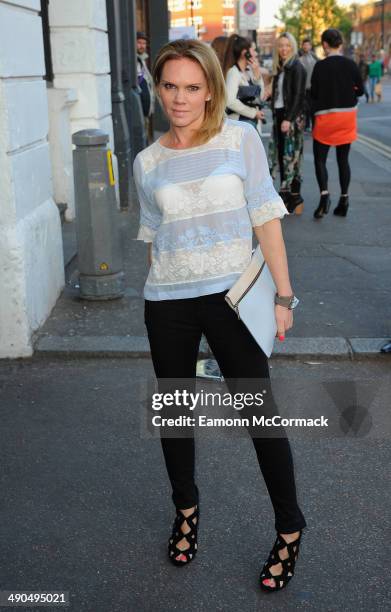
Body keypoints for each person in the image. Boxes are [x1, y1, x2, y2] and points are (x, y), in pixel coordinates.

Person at [133, 38, 307, 592]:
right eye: (170, 86)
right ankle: (185, 510)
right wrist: (159, 288)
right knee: (177, 415)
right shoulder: (147, 161)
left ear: (211, 90)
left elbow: (266, 217)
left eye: (192, 87)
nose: (180, 99)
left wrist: (283, 296)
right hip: (168, 303)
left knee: (260, 415)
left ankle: (289, 528)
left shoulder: (240, 139)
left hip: (233, 299)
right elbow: (154, 237)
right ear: (158, 88)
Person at [310, 29, 364, 219]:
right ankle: (344, 200)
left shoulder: (320, 66)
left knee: (320, 159)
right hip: (346, 117)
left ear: (325, 44)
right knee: (343, 160)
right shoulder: (350, 65)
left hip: (325, 117)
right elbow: (361, 91)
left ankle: (324, 197)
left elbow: (314, 93)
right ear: (340, 44)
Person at [269, 32, 306, 215]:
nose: (284, 49)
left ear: (292, 46)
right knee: (283, 157)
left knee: (291, 158)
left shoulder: (296, 67)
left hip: (290, 117)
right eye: (281, 45)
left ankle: (292, 196)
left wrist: (288, 119)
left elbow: (299, 96)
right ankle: (288, 195)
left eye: (287, 45)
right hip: (280, 115)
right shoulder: (281, 67)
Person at [223, 34, 266, 132]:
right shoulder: (233, 72)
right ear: (244, 53)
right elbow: (230, 101)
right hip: (239, 125)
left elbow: (261, 97)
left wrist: (257, 77)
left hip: (251, 125)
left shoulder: (250, 72)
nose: (256, 54)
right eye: (253, 50)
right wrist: (253, 113)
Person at [136, 31, 155, 143]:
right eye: (139, 42)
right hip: (139, 112)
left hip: (145, 112)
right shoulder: (135, 61)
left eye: (144, 43)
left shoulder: (142, 60)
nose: (142, 46)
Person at [299, 39, 318, 130]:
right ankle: (306, 125)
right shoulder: (299, 59)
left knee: (313, 108)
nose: (306, 46)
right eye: (304, 45)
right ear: (302, 46)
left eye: (308, 45)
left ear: (310, 46)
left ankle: (314, 125)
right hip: (303, 88)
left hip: (313, 87)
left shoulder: (315, 58)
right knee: (304, 108)